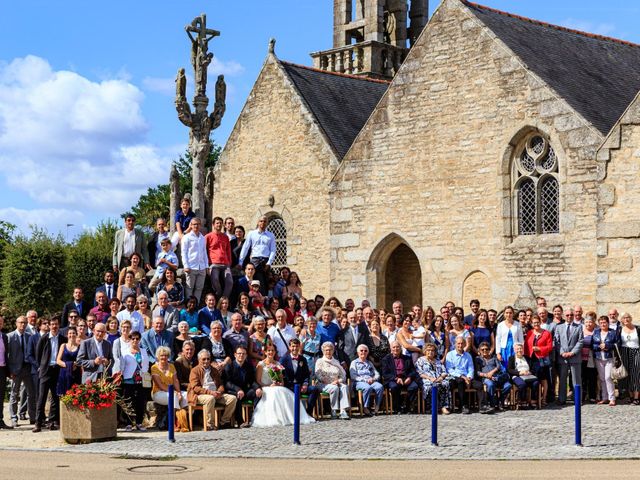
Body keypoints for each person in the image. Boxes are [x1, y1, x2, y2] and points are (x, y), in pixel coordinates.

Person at [252, 342, 315, 427]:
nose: (271, 352)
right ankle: (275, 418)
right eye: (269, 351)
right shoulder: (261, 364)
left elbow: (282, 381)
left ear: (275, 352)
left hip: (277, 387)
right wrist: (268, 386)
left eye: (273, 350)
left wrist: (279, 383)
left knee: (284, 393)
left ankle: (289, 417)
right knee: (274, 394)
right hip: (265, 387)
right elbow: (258, 380)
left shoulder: (278, 364)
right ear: (265, 352)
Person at [188, 349, 237, 429]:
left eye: (208, 359)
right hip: (200, 395)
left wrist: (220, 392)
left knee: (232, 399)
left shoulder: (214, 370)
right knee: (210, 399)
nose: (206, 361)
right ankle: (209, 424)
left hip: (215, 394)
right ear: (199, 360)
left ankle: (224, 422)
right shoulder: (195, 370)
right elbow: (195, 387)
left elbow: (220, 384)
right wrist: (210, 393)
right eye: (204, 359)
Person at [33, 317, 67, 432]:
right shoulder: (44, 338)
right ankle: (38, 423)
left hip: (57, 370)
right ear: (49, 326)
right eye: (52, 324)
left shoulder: (63, 339)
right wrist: (41, 366)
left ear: (59, 325)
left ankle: (53, 421)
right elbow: (38, 354)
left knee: (56, 397)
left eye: (56, 324)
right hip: (46, 370)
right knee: (41, 397)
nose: (54, 326)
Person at [116, 330, 149, 431]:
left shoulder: (143, 351)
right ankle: (129, 423)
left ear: (140, 340)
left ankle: (139, 422)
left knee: (140, 401)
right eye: (133, 338)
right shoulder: (125, 352)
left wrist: (144, 373)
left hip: (140, 380)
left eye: (137, 338)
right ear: (129, 339)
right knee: (128, 402)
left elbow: (146, 364)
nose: (135, 340)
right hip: (128, 379)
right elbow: (122, 365)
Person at [223, 346, 263, 428]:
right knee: (237, 396)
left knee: (257, 393)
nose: (241, 355)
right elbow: (227, 383)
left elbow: (252, 381)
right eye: (239, 353)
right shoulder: (229, 366)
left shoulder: (248, 366)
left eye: (243, 354)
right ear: (235, 355)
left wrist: (258, 388)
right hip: (233, 391)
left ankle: (254, 418)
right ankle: (240, 421)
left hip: (245, 391)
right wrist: (238, 390)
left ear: (246, 355)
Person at [8, 316, 36, 427]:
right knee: (14, 394)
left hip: (28, 369)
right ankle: (14, 418)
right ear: (16, 323)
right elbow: (7, 356)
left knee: (31, 394)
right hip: (15, 370)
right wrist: (9, 371)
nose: (23, 325)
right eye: (21, 323)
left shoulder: (30, 336)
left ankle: (32, 417)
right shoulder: (10, 337)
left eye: (25, 323)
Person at [280, 338, 319, 417]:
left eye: (297, 346)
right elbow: (281, 374)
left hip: (300, 386)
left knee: (315, 389)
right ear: (290, 347)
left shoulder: (303, 359)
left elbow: (306, 374)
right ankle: (294, 415)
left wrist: (305, 384)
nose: (295, 348)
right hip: (289, 387)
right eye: (293, 346)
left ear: (299, 347)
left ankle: (308, 413)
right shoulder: (284, 359)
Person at [238, 216, 276, 295]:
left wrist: (269, 263)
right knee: (256, 282)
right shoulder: (252, 234)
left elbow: (273, 250)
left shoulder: (270, 235)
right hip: (255, 260)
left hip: (266, 261)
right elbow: (245, 248)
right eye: (261, 221)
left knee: (267, 282)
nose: (263, 223)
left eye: (265, 221)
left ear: (267, 223)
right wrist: (240, 262)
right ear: (258, 222)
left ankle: (265, 300)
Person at [554, 310, 584, 405]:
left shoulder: (579, 327)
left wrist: (572, 352)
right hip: (563, 357)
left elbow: (580, 341)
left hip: (574, 357)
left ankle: (577, 399)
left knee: (576, 379)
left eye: (571, 315)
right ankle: (562, 399)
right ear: (564, 315)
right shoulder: (559, 327)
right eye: (567, 315)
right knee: (562, 379)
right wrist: (562, 352)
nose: (569, 316)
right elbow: (556, 342)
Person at [314, 342, 350, 419]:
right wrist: (329, 382)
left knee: (344, 387)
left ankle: (343, 411)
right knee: (334, 388)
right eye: (326, 350)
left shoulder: (336, 361)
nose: (328, 352)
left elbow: (343, 375)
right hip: (323, 384)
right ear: (323, 351)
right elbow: (318, 374)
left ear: (333, 351)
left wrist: (338, 381)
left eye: (330, 350)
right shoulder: (320, 361)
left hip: (336, 382)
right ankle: (333, 410)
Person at [381, 341, 419, 414]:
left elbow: (413, 371)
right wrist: (396, 378)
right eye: (394, 347)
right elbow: (385, 374)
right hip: (393, 379)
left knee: (414, 387)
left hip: (406, 378)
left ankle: (407, 407)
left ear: (401, 348)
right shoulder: (386, 359)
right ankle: (397, 408)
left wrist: (409, 377)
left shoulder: (407, 358)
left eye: (397, 347)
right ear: (390, 348)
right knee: (394, 387)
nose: (396, 349)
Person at [473, 342, 511, 412]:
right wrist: (486, 375)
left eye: (486, 349)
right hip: (486, 378)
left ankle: (500, 401)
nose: (485, 351)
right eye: (483, 349)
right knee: (490, 384)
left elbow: (499, 366)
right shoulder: (477, 359)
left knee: (508, 386)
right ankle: (492, 404)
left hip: (497, 377)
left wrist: (492, 372)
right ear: (479, 350)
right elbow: (477, 372)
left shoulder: (494, 357)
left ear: (489, 350)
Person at [524, 316, 553, 406]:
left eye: (537, 322)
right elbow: (525, 346)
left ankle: (543, 399)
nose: (536, 324)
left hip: (542, 360)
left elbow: (550, 347)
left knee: (543, 380)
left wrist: (539, 348)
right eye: (534, 323)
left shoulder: (546, 333)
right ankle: (534, 398)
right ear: (532, 324)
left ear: (540, 322)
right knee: (533, 380)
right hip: (531, 360)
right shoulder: (529, 333)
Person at [415, 343, 451, 415]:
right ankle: (431, 407)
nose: (430, 352)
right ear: (425, 351)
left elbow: (444, 372)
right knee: (429, 386)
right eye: (428, 350)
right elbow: (419, 373)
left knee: (445, 384)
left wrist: (441, 377)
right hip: (427, 379)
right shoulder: (420, 360)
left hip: (438, 379)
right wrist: (430, 378)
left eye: (432, 350)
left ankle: (443, 407)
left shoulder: (438, 361)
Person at [349, 344, 383, 416]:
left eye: (365, 351)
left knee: (379, 386)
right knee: (367, 387)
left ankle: (377, 406)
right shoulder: (354, 363)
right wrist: (365, 380)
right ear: (358, 352)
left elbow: (377, 374)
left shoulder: (369, 363)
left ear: (367, 353)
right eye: (361, 351)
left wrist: (373, 379)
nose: (363, 352)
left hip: (371, 381)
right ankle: (365, 407)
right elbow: (353, 376)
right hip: (359, 382)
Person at [26, 317, 48, 424]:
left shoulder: (50, 337)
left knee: (45, 394)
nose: (47, 325)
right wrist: (38, 366)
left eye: (48, 323)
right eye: (44, 323)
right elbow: (29, 355)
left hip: (48, 370)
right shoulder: (33, 338)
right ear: (39, 326)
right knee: (36, 394)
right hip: (37, 370)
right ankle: (35, 418)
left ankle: (43, 417)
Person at [181, 217, 209, 304]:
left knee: (199, 288)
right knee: (189, 288)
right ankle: (189, 305)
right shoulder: (186, 237)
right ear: (191, 225)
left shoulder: (202, 238)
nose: (196, 226)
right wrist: (186, 266)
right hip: (191, 267)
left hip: (201, 267)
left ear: (200, 225)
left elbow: (204, 252)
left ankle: (195, 305)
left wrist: (206, 266)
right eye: (194, 224)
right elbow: (184, 252)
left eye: (197, 224)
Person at [151, 346, 188, 410]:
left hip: (172, 391)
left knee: (186, 394)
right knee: (173, 396)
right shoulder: (154, 367)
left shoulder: (171, 366)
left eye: (166, 355)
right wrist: (174, 392)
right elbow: (160, 385)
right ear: (158, 356)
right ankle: (176, 416)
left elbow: (175, 381)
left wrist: (179, 392)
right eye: (161, 355)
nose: (164, 357)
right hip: (158, 392)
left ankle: (186, 415)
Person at [592, 315, 618, 406]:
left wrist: (607, 346)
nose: (603, 324)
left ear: (608, 323)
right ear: (599, 324)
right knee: (602, 378)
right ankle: (604, 398)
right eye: (601, 323)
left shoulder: (613, 332)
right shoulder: (596, 332)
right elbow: (593, 345)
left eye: (604, 322)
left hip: (609, 357)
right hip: (598, 357)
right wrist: (599, 346)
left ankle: (612, 398)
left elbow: (617, 344)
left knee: (608, 377)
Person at [445, 336, 475, 414]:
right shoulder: (450, 354)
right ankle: (460, 405)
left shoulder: (468, 355)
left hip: (466, 377)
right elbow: (450, 369)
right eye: (458, 343)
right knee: (459, 381)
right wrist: (462, 376)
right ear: (455, 344)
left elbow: (471, 368)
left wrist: (469, 377)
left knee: (477, 384)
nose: (460, 345)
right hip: (454, 377)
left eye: (462, 343)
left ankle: (466, 406)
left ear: (465, 344)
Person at [205, 216, 233, 299]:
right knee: (215, 280)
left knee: (230, 282)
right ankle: (220, 297)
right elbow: (204, 251)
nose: (219, 225)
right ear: (213, 224)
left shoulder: (225, 237)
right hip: (213, 263)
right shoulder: (208, 236)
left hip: (225, 264)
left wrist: (229, 262)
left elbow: (228, 250)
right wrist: (206, 266)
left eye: (221, 223)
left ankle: (224, 300)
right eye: (217, 223)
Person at [508, 343, 539, 408]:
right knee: (522, 384)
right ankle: (521, 400)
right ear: (514, 350)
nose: (519, 350)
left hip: (528, 376)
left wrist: (529, 372)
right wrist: (519, 373)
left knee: (536, 383)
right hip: (517, 376)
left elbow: (533, 368)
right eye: (517, 349)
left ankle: (533, 400)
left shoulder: (527, 358)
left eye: (521, 348)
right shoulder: (511, 358)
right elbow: (509, 370)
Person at [620, 312, 640, 405]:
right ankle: (630, 396)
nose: (626, 319)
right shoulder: (620, 329)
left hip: (636, 351)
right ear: (622, 320)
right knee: (626, 374)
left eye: (628, 317)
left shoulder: (637, 328)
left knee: (635, 374)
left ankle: (636, 397)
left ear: (630, 318)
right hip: (624, 352)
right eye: (624, 318)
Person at [496, 306, 523, 370]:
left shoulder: (518, 324)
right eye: (507, 313)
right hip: (504, 349)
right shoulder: (500, 325)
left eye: (510, 313)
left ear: (513, 314)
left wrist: (521, 351)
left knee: (515, 366)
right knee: (505, 366)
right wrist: (498, 353)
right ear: (504, 314)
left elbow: (521, 339)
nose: (508, 314)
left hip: (515, 349)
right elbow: (498, 339)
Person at [55, 326, 80, 395]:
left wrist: (75, 364)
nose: (71, 335)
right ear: (67, 335)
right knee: (63, 396)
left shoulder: (80, 346)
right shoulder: (63, 346)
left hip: (76, 373)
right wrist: (69, 365)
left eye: (73, 333)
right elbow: (58, 360)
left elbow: (81, 360)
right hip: (64, 373)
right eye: (70, 333)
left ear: (76, 334)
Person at [581, 314, 598, 403]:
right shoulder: (581, 331)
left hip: (592, 358)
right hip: (581, 358)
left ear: (594, 323)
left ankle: (592, 396)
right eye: (587, 322)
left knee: (592, 377)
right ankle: (583, 395)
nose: (588, 324)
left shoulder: (597, 332)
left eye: (590, 322)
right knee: (583, 377)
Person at [0, 316, 12, 429]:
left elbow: (6, 355)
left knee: (1, 396)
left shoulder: (4, 336)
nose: (0, 324)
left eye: (1, 322)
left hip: (2, 370)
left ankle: (0, 420)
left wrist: (9, 371)